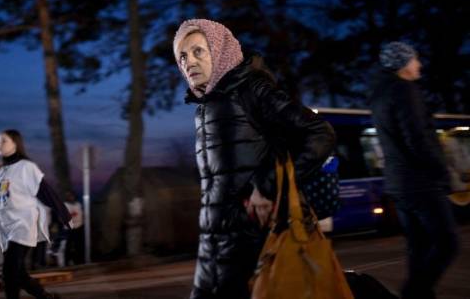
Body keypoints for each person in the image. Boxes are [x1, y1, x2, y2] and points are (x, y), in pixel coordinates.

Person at [173, 18, 336, 299]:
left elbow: (320, 133)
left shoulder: (252, 89)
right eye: (183, 56)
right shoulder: (205, 108)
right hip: (213, 245)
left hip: (257, 241)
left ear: (219, 50)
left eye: (198, 51)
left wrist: (268, 186)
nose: (189, 62)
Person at [370, 41, 458, 299]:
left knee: (418, 246)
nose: (418, 64)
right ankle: (414, 292)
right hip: (420, 182)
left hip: (398, 183)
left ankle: (418, 294)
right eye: (414, 59)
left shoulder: (380, 95)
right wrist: (441, 172)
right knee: (447, 243)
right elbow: (417, 138)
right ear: (402, 64)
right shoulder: (405, 91)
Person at [0, 129, 74, 299]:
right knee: (18, 274)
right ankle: (45, 296)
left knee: (9, 272)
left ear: (15, 144)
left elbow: (46, 192)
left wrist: (64, 215)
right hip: (5, 230)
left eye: (3, 141)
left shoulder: (26, 167)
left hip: (23, 225)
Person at [62, 191, 84, 266]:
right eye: (69, 196)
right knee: (68, 245)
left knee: (78, 245)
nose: (71, 197)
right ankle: (66, 262)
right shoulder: (65, 205)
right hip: (69, 229)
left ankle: (78, 261)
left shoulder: (78, 204)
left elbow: (81, 214)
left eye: (72, 196)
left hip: (78, 227)